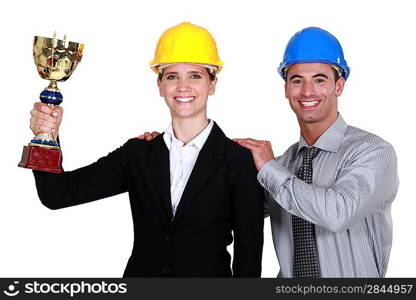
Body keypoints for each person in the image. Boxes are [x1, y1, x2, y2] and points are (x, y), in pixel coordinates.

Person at [30, 22, 264, 277]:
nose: (182, 86)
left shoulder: (239, 161)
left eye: (195, 75)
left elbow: (248, 257)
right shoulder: (138, 155)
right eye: (172, 76)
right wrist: (46, 136)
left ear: (212, 84)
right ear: (160, 86)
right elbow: (57, 195)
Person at [235, 27, 399, 277]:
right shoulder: (282, 166)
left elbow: (337, 214)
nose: (307, 91)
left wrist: (270, 169)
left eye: (319, 80)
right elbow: (226, 210)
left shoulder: (373, 152)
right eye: (297, 80)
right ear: (286, 89)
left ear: (339, 85)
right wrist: (167, 152)